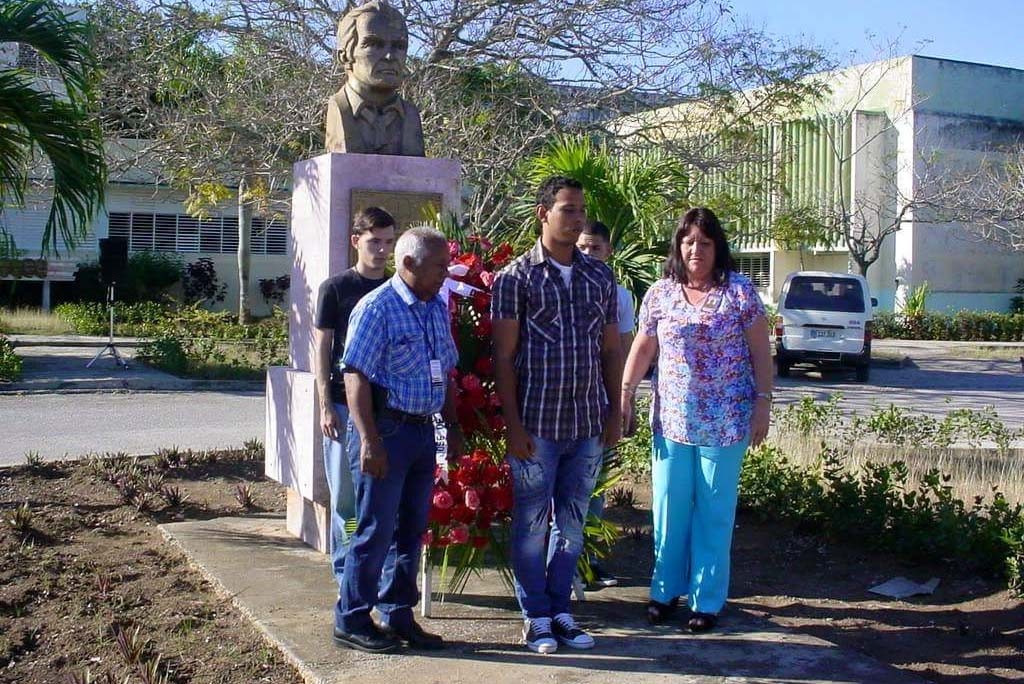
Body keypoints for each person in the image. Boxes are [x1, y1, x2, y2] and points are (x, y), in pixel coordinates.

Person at [620, 207, 773, 633]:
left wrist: (763, 403)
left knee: (714, 512)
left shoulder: (739, 293)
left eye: (704, 243)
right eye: (689, 242)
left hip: (725, 424)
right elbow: (644, 349)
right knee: (668, 510)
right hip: (670, 423)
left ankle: (706, 600)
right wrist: (625, 393)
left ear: (717, 248)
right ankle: (664, 591)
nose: (696, 250)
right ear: (678, 246)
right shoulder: (661, 293)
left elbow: (762, 353)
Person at [492, 176, 623, 654]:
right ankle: (535, 616)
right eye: (568, 210)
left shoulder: (600, 277)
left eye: (581, 210)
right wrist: (513, 425)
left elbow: (611, 350)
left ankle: (561, 609)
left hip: (587, 422)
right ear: (542, 214)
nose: (577, 219)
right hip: (537, 424)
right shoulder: (515, 278)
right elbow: (504, 357)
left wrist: (613, 412)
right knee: (530, 525)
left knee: (571, 523)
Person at [334, 226, 464, 653]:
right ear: (408, 264)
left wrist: (453, 426)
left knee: (411, 530)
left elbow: (444, 369)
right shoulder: (377, 308)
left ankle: (397, 613)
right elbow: (355, 374)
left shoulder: (432, 306)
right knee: (375, 527)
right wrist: (369, 440)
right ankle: (352, 618)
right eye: (439, 266)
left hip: (423, 431)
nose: (446, 273)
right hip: (386, 431)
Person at [314, 207, 396, 594]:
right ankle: (345, 570)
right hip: (342, 405)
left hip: (386, 408)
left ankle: (373, 571)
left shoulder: (396, 288)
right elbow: (322, 348)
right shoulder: (336, 288)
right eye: (374, 241)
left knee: (376, 496)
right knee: (346, 496)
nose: (381, 250)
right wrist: (325, 406)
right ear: (356, 241)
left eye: (388, 242)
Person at [574, 220, 635, 590]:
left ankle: (591, 561)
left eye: (594, 248)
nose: (587, 254)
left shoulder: (620, 296)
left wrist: (624, 402)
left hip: (602, 403)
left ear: (608, 251)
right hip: (565, 404)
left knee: (596, 487)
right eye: (582, 247)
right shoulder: (563, 286)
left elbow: (625, 351)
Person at [325, 0, 425, 156]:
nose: (390, 56)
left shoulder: (410, 115)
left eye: (399, 46)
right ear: (344, 55)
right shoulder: (340, 108)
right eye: (374, 44)